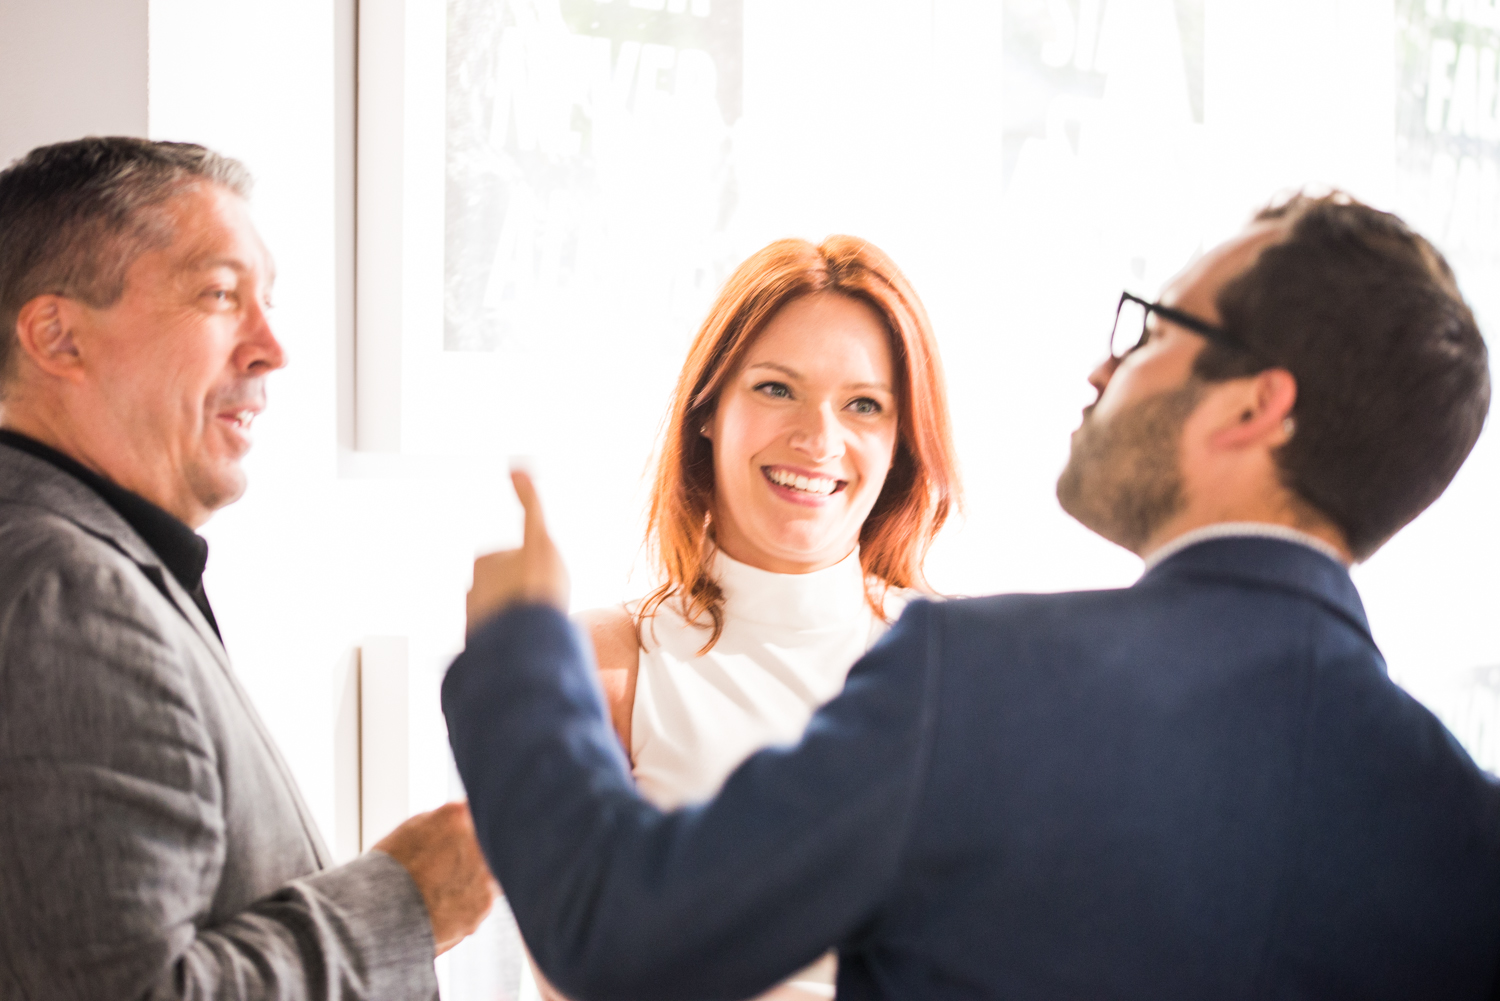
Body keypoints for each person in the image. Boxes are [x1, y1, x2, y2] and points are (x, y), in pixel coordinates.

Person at [446, 191, 1500, 999]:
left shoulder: (982, 677)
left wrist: (518, 645)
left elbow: (620, 929)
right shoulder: (1467, 838)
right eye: (775, 386)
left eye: (1153, 331)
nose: (1102, 369)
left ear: (1254, 407)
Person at [0, 137, 497, 1000]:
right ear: (57, 336)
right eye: (221, 295)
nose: (273, 348)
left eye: (267, 300)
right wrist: (406, 903)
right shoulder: (69, 595)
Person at [530, 237, 957, 1000]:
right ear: (708, 410)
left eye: (864, 404)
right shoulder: (604, 665)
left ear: (901, 443)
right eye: (776, 388)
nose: (818, 438)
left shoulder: (962, 665)